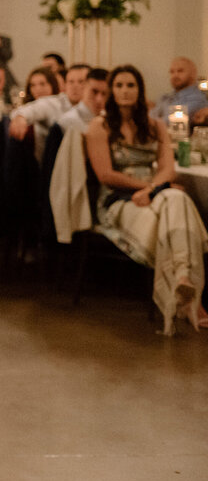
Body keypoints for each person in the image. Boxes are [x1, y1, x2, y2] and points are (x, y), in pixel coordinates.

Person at [85, 65, 207, 334]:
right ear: (111, 91)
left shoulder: (155, 125)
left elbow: (168, 168)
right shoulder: (100, 126)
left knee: (178, 199)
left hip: (153, 194)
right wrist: (151, 187)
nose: (125, 91)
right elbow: (105, 174)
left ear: (140, 90)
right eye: (119, 86)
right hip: (119, 199)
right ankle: (191, 299)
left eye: (131, 85)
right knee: (176, 198)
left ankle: (183, 278)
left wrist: (153, 190)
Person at [151, 56, 208, 124]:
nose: (175, 75)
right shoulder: (166, 98)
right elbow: (150, 118)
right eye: (172, 72)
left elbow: (170, 123)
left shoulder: (198, 99)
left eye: (180, 71)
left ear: (193, 74)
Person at [58, 67, 109, 134]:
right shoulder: (68, 121)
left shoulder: (108, 119)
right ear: (84, 88)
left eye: (104, 94)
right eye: (94, 92)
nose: (99, 99)